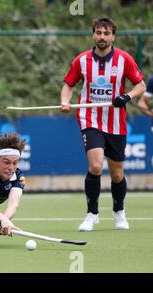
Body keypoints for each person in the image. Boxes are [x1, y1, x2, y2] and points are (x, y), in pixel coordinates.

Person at [60, 17, 146, 232]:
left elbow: (141, 85)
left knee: (117, 173)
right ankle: (92, 214)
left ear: (113, 36)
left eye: (106, 33)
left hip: (116, 123)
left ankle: (119, 211)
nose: (102, 37)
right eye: (98, 32)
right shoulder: (81, 61)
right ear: (93, 35)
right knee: (96, 166)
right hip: (90, 118)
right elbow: (68, 85)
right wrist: (65, 101)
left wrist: (126, 97)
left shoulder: (124, 59)